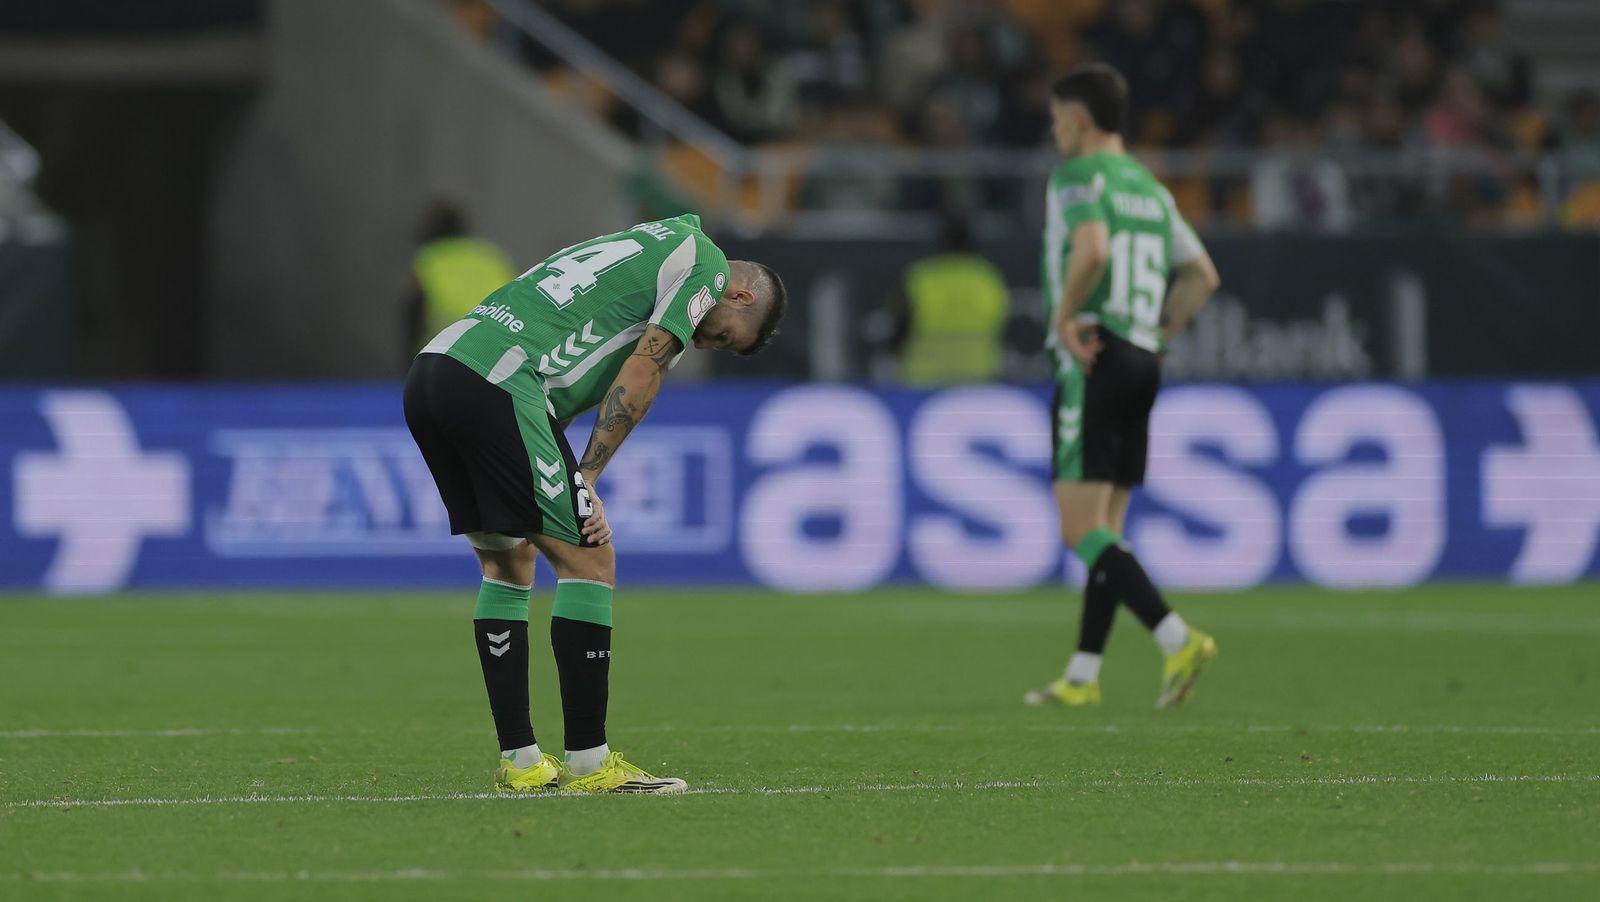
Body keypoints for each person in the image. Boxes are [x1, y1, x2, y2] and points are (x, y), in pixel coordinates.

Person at [403, 213, 785, 793]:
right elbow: (645, 367)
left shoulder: (655, 243)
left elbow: (577, 359)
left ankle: (523, 762)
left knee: (508, 563)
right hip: (500, 379)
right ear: (739, 294)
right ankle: (589, 761)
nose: (708, 342)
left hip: (439, 369)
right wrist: (587, 476)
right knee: (590, 560)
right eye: (725, 334)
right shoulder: (702, 264)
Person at [1024, 65, 1221, 710]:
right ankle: (1082, 675)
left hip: (1094, 355)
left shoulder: (1080, 177)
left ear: (1078, 119)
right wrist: (1159, 333)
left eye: (1056, 119)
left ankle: (1177, 638)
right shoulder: (1152, 190)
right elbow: (1201, 276)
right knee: (1107, 531)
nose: (1055, 132)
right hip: (1142, 358)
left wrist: (1062, 318)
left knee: (1079, 530)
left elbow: (1094, 250)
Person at [888, 214, 1009, 386]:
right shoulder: (988, 279)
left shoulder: (921, 278)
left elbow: (898, 330)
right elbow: (1001, 326)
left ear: (940, 240)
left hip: (923, 382)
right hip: (977, 379)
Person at [405, 202, 515, 366]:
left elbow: (412, 314)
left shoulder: (428, 259)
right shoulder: (491, 256)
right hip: (498, 350)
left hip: (445, 351)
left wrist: (409, 362)